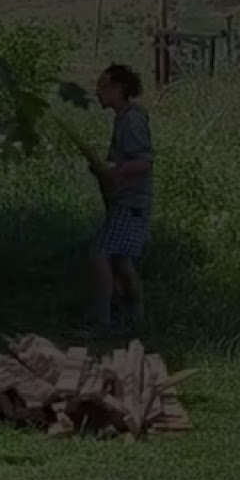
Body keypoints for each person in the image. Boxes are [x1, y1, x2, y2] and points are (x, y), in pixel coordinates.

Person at [86, 64, 153, 331]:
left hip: (132, 201)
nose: (98, 92)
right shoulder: (123, 117)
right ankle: (135, 317)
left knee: (99, 254)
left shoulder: (132, 120)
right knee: (120, 259)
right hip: (126, 200)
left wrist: (114, 172)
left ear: (119, 88)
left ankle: (101, 320)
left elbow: (145, 162)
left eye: (103, 86)